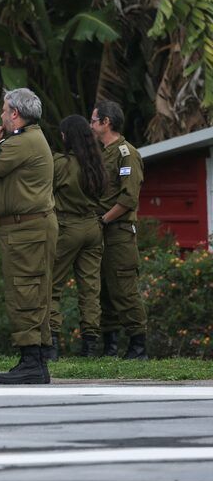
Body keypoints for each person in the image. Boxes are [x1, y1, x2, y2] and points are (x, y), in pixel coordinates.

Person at [0, 88, 57, 384]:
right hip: (24, 229)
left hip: (27, 230)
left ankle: (32, 362)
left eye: (3, 110)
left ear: (15, 114)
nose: (0, 115)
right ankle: (35, 358)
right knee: (31, 291)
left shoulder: (23, 141)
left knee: (26, 291)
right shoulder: (26, 140)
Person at [91, 100, 147, 359]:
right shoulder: (101, 152)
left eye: (94, 120)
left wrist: (104, 219)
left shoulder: (126, 153)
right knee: (103, 287)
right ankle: (110, 345)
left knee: (124, 287)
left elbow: (128, 199)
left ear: (106, 122)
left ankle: (138, 345)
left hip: (119, 230)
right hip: (101, 231)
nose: (91, 125)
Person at [49, 115, 107, 358]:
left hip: (68, 225)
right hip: (94, 228)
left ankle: (50, 341)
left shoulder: (61, 163)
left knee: (52, 284)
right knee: (90, 288)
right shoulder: (96, 162)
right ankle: (90, 345)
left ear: (66, 137)